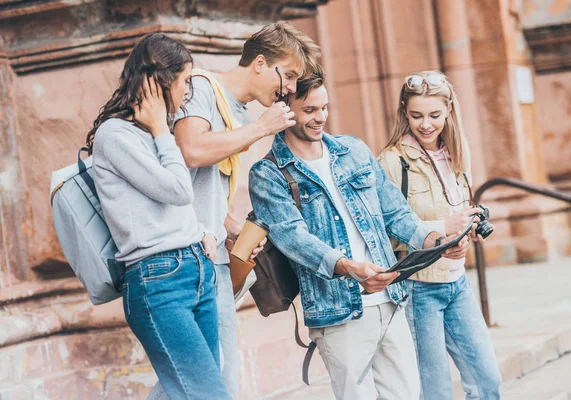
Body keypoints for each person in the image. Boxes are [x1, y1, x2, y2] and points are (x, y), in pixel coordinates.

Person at [248, 66, 469, 400]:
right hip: (338, 311)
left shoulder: (353, 151)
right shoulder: (268, 173)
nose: (320, 118)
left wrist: (436, 243)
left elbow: (397, 214)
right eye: (309, 110)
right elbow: (294, 239)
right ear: (285, 109)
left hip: (390, 300)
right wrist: (352, 269)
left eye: (324, 108)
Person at [166, 21, 321, 399]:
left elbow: (199, 191)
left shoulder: (236, 110)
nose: (288, 90)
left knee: (204, 378)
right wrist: (260, 129)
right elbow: (192, 151)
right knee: (212, 379)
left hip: (213, 256)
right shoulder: (203, 87)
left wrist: (235, 229)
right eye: (286, 77)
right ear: (260, 62)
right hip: (189, 258)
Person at [88, 34, 229, 399]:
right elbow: (178, 190)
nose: (188, 93)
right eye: (184, 82)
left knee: (180, 392)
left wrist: (201, 230)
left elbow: (172, 204)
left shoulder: (150, 134)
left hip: (195, 269)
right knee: (208, 394)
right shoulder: (114, 135)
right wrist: (163, 131)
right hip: (158, 281)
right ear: (160, 83)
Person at [378, 70, 502, 399]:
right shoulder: (392, 162)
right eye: (416, 115)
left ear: (448, 110)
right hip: (419, 289)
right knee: (435, 392)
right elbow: (386, 229)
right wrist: (438, 238)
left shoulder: (458, 154)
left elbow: (459, 208)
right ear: (404, 112)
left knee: (488, 380)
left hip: (457, 284)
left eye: (434, 115)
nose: (426, 124)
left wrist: (468, 228)